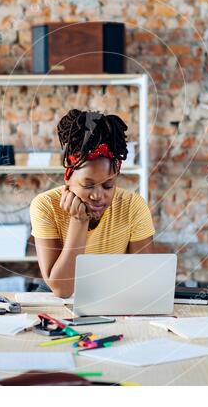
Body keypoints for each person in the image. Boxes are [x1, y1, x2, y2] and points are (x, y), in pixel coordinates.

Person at [29, 109, 155, 297]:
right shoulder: (45, 205)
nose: (98, 195)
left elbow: (145, 280)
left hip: (111, 291)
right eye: (88, 186)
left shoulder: (133, 206)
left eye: (108, 186)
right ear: (68, 177)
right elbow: (62, 289)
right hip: (56, 293)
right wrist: (78, 221)